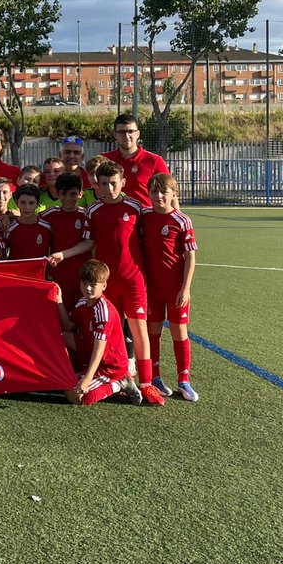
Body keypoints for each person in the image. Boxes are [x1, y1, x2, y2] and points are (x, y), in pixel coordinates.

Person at [85, 160, 164, 405]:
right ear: (97, 184)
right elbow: (89, 244)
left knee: (140, 331)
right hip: (106, 282)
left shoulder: (136, 208)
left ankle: (147, 383)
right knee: (112, 332)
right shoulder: (92, 211)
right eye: (105, 184)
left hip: (133, 280)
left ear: (123, 183)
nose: (109, 188)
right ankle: (121, 378)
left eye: (114, 183)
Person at [141, 173, 199, 402]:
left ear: (174, 194)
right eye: (154, 192)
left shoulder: (181, 220)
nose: (158, 196)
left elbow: (190, 257)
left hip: (175, 288)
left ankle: (183, 380)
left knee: (179, 331)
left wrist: (185, 289)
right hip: (152, 288)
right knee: (153, 330)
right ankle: (154, 376)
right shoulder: (144, 216)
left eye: (163, 191)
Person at [53, 260, 142, 406]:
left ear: (104, 286)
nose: (87, 288)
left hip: (110, 366)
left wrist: (87, 379)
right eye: (84, 283)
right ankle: (77, 372)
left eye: (93, 285)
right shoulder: (83, 302)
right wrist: (59, 301)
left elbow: (99, 349)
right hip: (91, 353)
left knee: (76, 397)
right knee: (58, 336)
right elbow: (68, 326)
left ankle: (120, 383)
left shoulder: (103, 312)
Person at [40, 173, 95, 307]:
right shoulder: (48, 215)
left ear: (80, 194)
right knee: (58, 312)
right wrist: (8, 217)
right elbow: (28, 221)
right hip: (58, 273)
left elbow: (90, 243)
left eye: (73, 194)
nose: (69, 198)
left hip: (82, 275)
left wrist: (63, 254)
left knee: (81, 313)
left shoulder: (87, 215)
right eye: (64, 194)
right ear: (58, 194)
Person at [102, 113, 169, 208]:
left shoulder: (154, 161)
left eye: (130, 131)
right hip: (112, 218)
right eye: (122, 132)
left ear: (138, 134)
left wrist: (174, 221)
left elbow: (169, 193)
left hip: (144, 219)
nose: (126, 136)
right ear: (115, 135)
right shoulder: (104, 160)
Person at [5, 185, 53, 265]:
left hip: (39, 275)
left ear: (37, 204)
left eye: (31, 203)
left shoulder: (48, 227)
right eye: (23, 203)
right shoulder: (9, 228)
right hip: (16, 275)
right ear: (17, 203)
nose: (27, 207)